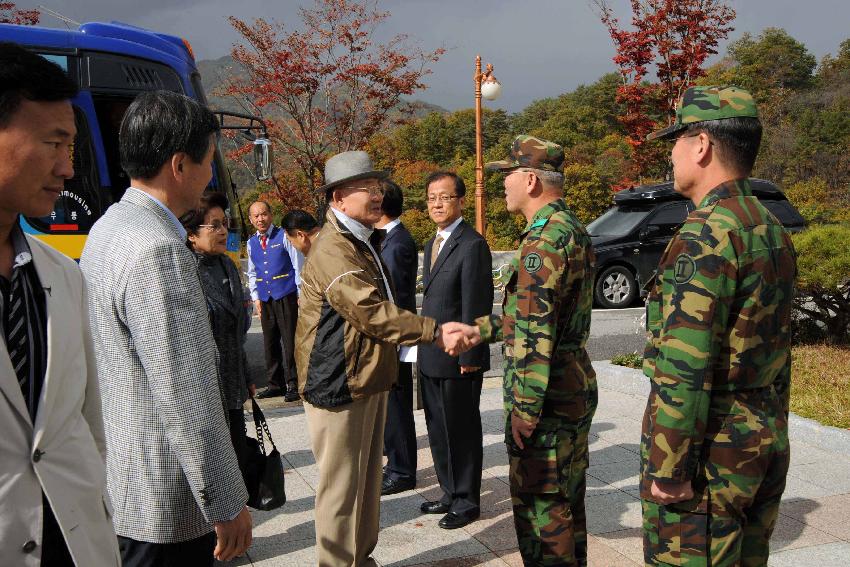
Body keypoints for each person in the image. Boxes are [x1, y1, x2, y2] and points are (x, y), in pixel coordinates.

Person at [80, 90, 252, 566]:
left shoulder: (109, 226)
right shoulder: (159, 248)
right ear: (180, 165)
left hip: (125, 479)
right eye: (209, 162)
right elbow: (187, 390)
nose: (211, 175)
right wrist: (225, 499)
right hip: (168, 498)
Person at [638, 86, 797, 566]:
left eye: (677, 140)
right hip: (761, 441)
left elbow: (686, 362)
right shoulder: (767, 225)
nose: (672, 153)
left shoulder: (707, 233)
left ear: (702, 145)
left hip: (711, 456)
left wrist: (669, 468)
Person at [295, 150, 463, 567]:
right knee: (340, 490)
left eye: (377, 186)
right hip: (337, 383)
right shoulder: (335, 247)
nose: (377, 194)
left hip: (364, 378)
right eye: (365, 187)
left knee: (367, 486)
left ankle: (361, 559)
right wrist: (434, 330)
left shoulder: (362, 239)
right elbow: (371, 312)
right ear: (338, 199)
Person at [447, 136, 598, 566]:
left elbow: (535, 338)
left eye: (507, 175)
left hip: (547, 401)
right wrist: (481, 328)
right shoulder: (569, 228)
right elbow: (539, 318)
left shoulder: (542, 245)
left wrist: (525, 409)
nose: (503, 184)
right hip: (570, 386)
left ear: (530, 179)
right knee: (567, 506)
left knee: (544, 514)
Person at [0, 41, 120, 567]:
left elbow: (86, 421)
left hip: (73, 544)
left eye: (71, 148)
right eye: (54, 143)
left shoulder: (63, 275)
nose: (67, 169)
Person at [417, 171, 493, 529]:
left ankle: (466, 499)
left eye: (444, 197)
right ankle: (448, 490)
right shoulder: (433, 242)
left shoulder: (472, 243)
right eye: (431, 197)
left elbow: (478, 304)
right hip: (431, 353)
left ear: (460, 200)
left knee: (461, 430)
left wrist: (471, 356)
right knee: (437, 428)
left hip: (459, 356)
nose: (436, 203)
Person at [181, 192, 255, 479]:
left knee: (235, 462)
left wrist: (246, 376)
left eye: (225, 223)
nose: (224, 231)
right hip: (205, 391)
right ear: (191, 235)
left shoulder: (227, 266)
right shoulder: (186, 271)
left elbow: (236, 332)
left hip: (232, 382)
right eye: (214, 226)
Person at [374, 179, 420, 496]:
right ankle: (395, 463)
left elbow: (393, 297)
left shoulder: (397, 243)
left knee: (398, 406)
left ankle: (402, 470)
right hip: (389, 336)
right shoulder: (387, 240)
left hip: (395, 337)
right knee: (390, 405)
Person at [247, 200, 303, 401]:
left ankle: (294, 383)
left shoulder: (283, 236)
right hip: (265, 297)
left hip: (286, 294)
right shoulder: (251, 242)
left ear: (270, 215)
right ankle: (275, 384)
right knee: (269, 342)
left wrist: (299, 293)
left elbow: (298, 265)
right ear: (251, 220)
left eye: (264, 214)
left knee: (290, 340)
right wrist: (255, 298)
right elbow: (252, 272)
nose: (260, 219)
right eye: (256, 216)